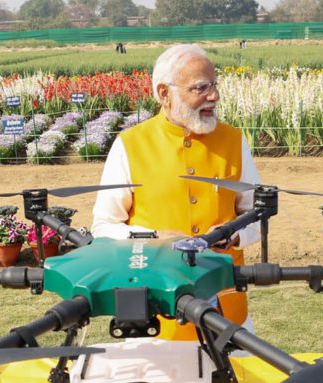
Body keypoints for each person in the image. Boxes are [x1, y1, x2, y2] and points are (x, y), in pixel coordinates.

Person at [93, 44, 261, 341]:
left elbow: (257, 214)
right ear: (163, 93)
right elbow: (104, 227)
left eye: (214, 85)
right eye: (200, 87)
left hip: (227, 312)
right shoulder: (130, 145)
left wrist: (235, 234)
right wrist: (154, 238)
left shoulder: (233, 140)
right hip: (152, 315)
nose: (214, 96)